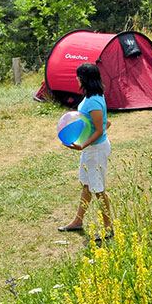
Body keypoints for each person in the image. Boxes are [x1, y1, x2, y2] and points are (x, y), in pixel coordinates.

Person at [58, 62, 112, 242]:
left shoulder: (95, 101)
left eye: (78, 76)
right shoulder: (93, 97)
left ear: (84, 79)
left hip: (95, 149)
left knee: (98, 189)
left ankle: (109, 228)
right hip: (91, 149)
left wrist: (83, 145)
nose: (76, 79)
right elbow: (101, 123)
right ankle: (78, 221)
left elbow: (98, 129)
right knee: (88, 186)